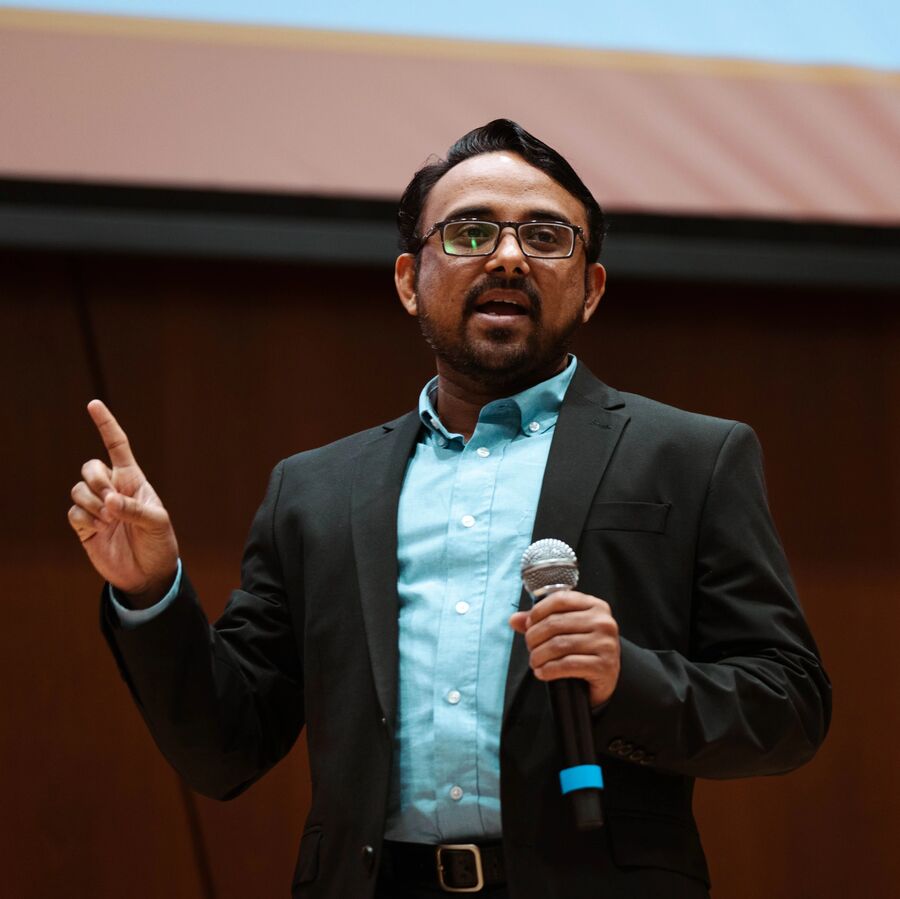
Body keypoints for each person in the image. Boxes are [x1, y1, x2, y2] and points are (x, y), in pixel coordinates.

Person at [68, 120, 831, 899]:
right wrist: (149, 591)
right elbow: (224, 748)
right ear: (408, 280)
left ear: (592, 288)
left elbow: (789, 704)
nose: (507, 256)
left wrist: (625, 677)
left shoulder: (691, 457)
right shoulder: (317, 490)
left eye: (545, 235)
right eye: (469, 232)